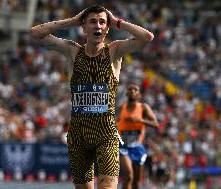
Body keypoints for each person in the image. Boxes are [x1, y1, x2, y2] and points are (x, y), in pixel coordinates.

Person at [29, 5, 154, 189]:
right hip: (78, 135)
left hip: (106, 134)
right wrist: (72, 20)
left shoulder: (114, 51)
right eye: (93, 22)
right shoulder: (73, 51)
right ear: (84, 27)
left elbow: (147, 37)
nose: (98, 26)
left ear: (108, 27)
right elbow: (35, 33)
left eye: (103, 22)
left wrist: (117, 22)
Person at [117, 83, 159, 189]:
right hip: (123, 145)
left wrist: (140, 120)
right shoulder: (122, 107)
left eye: (135, 89)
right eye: (130, 89)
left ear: (139, 94)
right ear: (127, 93)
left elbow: (155, 124)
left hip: (137, 146)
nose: (132, 91)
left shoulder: (143, 107)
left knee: (136, 182)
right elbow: (114, 122)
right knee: (128, 175)